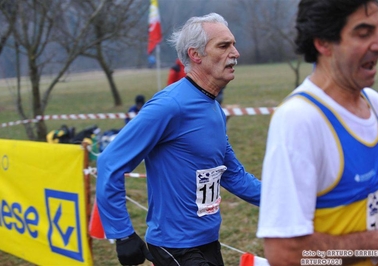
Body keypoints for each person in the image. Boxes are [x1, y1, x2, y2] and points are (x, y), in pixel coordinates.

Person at [96, 13, 261, 266]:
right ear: (196, 55)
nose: (236, 53)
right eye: (224, 45)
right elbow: (109, 162)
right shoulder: (169, 105)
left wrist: (286, 201)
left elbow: (232, 174)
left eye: (234, 44)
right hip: (175, 247)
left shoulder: (213, 106)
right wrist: (122, 234)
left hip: (207, 240)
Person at [256, 0, 378, 265]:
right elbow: (285, 254)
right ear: (323, 43)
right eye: (364, 33)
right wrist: (373, 245)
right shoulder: (299, 120)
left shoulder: (375, 104)